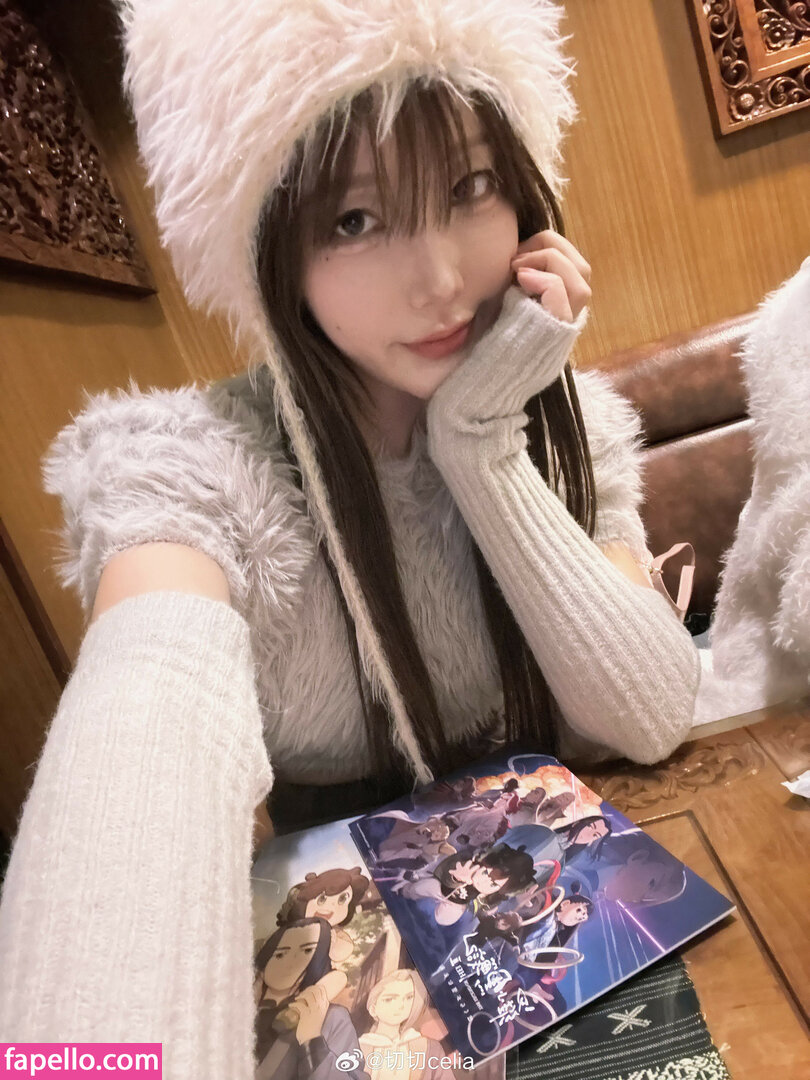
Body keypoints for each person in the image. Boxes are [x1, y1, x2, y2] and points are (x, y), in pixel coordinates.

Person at [0, 0, 701, 1074]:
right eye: (356, 220)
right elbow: (139, 758)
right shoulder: (187, 465)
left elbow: (649, 716)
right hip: (355, 997)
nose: (439, 277)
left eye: (469, 187)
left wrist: (482, 445)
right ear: (270, 250)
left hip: (579, 954)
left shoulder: (574, 428)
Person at [253, 918, 367, 1079]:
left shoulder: (333, 1017)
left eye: (307, 951)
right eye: (280, 954)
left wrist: (311, 1039)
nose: (291, 962)